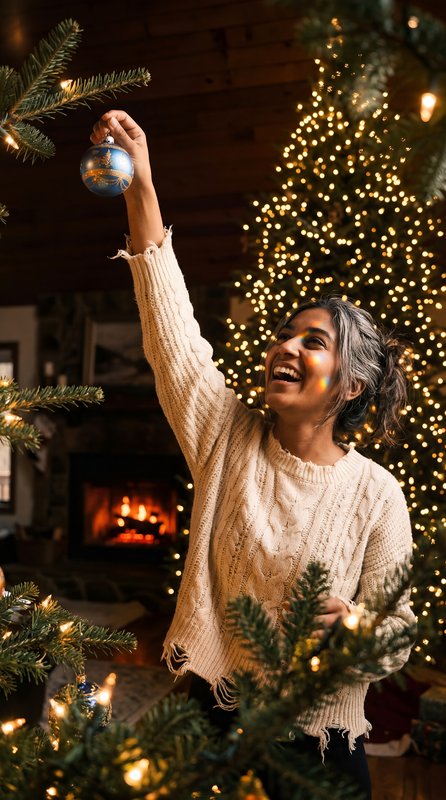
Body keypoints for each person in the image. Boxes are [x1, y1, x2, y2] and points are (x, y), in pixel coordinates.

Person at [90, 110, 416, 799]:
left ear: (351, 385)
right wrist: (140, 186)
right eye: (287, 333)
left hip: (318, 739)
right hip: (210, 711)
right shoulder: (225, 434)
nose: (287, 346)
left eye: (314, 342)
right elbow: (171, 331)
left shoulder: (377, 494)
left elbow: (399, 639)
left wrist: (356, 625)